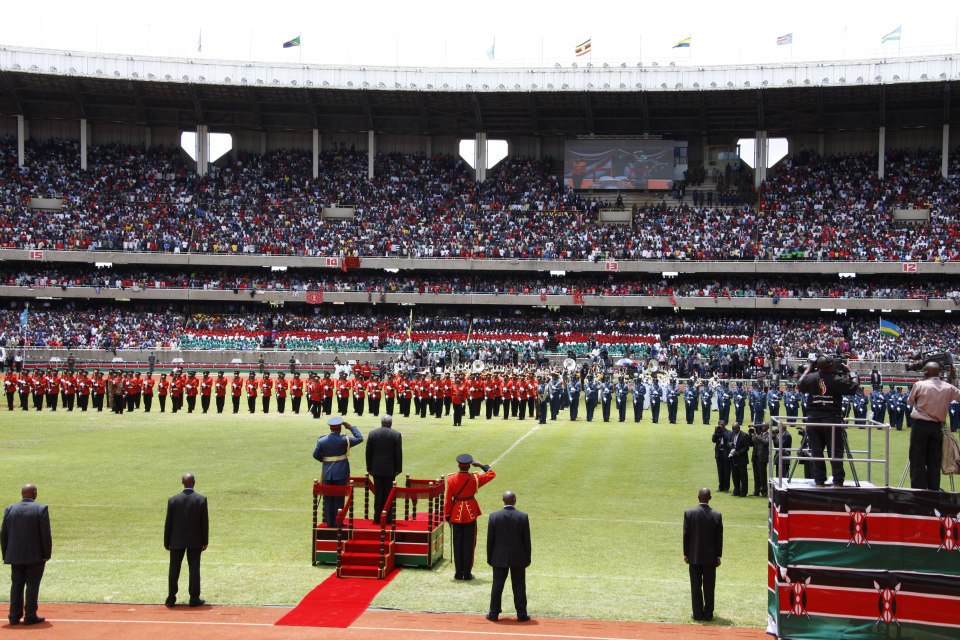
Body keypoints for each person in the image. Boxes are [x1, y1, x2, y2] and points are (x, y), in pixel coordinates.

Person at [796, 355, 860, 487]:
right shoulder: (836, 379)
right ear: (831, 366)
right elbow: (855, 386)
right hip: (832, 420)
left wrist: (808, 368)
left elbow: (799, 385)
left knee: (816, 452)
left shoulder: (810, 377)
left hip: (813, 421)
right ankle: (838, 481)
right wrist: (850, 371)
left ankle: (819, 481)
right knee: (835, 452)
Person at [1, 484, 52, 626]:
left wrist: (6, 554)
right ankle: (30, 616)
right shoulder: (41, 508)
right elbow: (45, 534)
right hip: (35, 556)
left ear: (22, 494)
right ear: (34, 493)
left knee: (16, 585)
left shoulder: (10, 509)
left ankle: (13, 616)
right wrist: (47, 554)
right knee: (32, 585)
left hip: (14, 556)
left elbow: (3, 534)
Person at [907, 362, 960, 490]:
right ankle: (933, 491)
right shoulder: (948, 387)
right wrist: (953, 377)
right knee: (934, 460)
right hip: (937, 427)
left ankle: (919, 491)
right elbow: (958, 395)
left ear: (926, 373)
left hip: (920, 425)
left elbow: (910, 401)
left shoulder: (919, 385)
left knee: (917, 459)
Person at [444, 454, 496, 581]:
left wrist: (447, 515)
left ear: (458, 465)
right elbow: (492, 474)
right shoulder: (475, 478)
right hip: (470, 514)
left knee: (457, 544)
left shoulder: (451, 479)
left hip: (456, 514)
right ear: (469, 466)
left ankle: (458, 573)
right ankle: (467, 574)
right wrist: (481, 465)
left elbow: (448, 499)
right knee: (469, 544)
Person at [485, 491, 531, 623]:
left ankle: (493, 613)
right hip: (519, 557)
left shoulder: (494, 516)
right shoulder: (523, 517)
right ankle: (522, 614)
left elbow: (490, 540)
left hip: (498, 558)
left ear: (503, 501)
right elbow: (526, 540)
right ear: (514, 500)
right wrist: (528, 558)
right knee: (519, 586)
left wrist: (490, 558)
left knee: (497, 585)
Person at [164, 473, 208, 608]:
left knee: (174, 569)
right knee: (194, 570)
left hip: (176, 541)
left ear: (182, 483)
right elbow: (204, 522)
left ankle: (171, 598)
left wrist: (166, 541)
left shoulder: (173, 500)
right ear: (194, 482)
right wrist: (205, 541)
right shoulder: (201, 499)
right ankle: (194, 599)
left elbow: (168, 523)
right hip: (195, 541)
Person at [312, 417, 364, 527]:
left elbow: (315, 455)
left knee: (328, 498)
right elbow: (360, 438)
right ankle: (338, 522)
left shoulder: (321, 440)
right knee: (339, 498)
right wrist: (350, 427)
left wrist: (325, 461)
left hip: (327, 472)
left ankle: (329, 522)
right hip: (341, 472)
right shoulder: (345, 440)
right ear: (340, 428)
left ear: (330, 428)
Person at [683, 488, 722, 623]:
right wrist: (718, 556)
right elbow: (719, 538)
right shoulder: (716, 515)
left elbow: (686, 535)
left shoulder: (689, 513)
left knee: (696, 586)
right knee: (709, 586)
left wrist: (686, 554)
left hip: (694, 556)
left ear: (698, 497)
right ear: (709, 498)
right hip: (710, 558)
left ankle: (697, 614)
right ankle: (708, 614)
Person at [365, 415, 403, 524]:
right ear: (391, 423)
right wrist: (398, 468)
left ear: (381, 423)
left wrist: (369, 468)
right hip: (390, 469)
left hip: (376, 468)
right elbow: (398, 453)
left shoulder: (372, 434)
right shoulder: (396, 435)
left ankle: (377, 517)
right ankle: (388, 517)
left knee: (378, 494)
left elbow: (368, 452)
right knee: (389, 495)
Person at [729, 423, 751, 497]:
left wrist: (738, 452)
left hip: (742, 459)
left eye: (735, 429)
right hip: (733, 459)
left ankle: (744, 491)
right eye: (733, 429)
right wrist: (730, 446)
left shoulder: (744, 435)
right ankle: (736, 490)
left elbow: (746, 448)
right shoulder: (731, 434)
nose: (734, 431)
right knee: (735, 476)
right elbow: (728, 442)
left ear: (739, 428)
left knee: (743, 476)